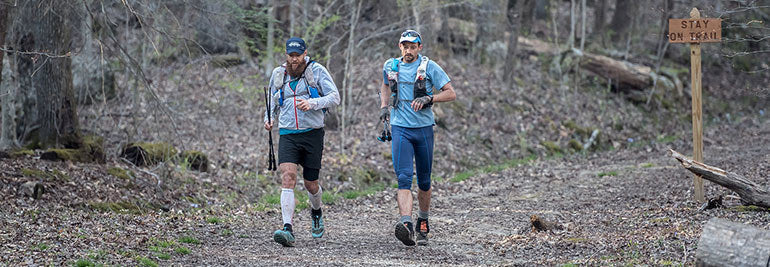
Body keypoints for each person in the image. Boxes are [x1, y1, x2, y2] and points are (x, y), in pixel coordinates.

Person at [379, 29, 456, 246]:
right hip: (400, 128)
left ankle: (422, 219)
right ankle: (406, 224)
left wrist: (430, 99)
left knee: (424, 180)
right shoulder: (390, 66)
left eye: (413, 46)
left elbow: (451, 93)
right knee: (403, 178)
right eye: (406, 46)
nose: (409, 50)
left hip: (423, 129)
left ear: (419, 47)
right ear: (400, 46)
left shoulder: (429, 67)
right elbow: (385, 85)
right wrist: (384, 107)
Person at [265, 37, 340, 247]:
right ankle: (287, 228)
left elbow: (335, 97)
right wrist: (268, 119)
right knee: (288, 177)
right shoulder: (278, 74)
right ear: (286, 54)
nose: (294, 59)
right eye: (291, 55)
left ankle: (316, 210)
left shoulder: (317, 71)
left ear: (305, 53)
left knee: (310, 184)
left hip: (312, 134)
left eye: (298, 55)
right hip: (288, 133)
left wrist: (313, 103)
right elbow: (271, 100)